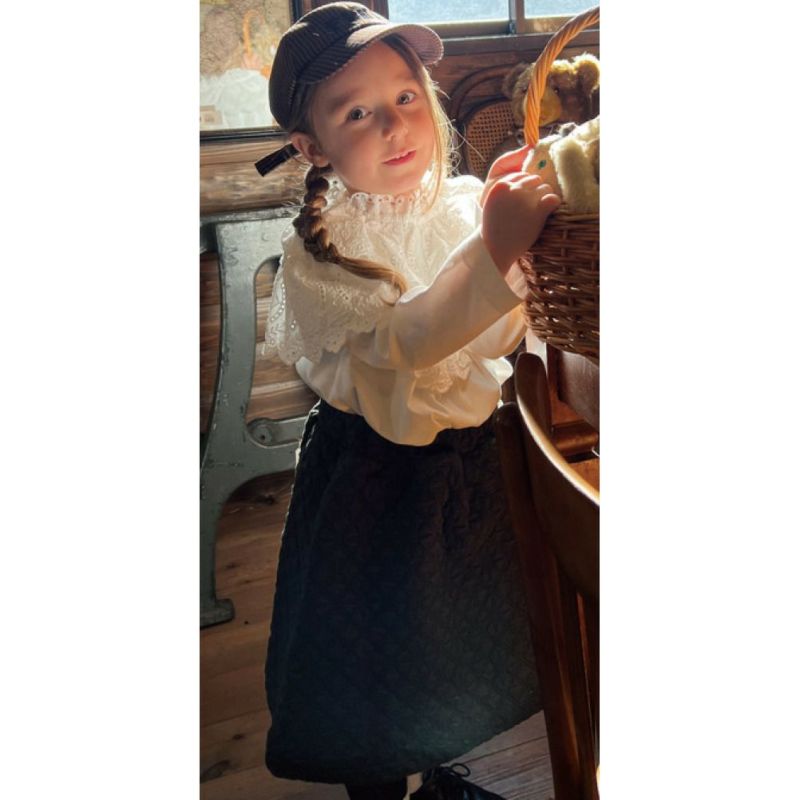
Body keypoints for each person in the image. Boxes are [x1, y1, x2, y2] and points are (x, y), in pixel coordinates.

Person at [257, 4, 561, 799]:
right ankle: (377, 784)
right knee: (373, 649)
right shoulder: (323, 252)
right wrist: (494, 246)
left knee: (445, 638)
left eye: (404, 96)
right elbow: (407, 344)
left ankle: (437, 770)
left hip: (470, 466)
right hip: (376, 481)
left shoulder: (457, 203)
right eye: (357, 113)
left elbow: (493, 338)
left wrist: (503, 233)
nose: (395, 125)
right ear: (312, 146)